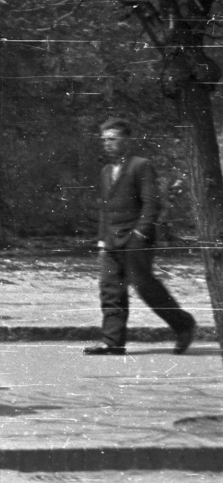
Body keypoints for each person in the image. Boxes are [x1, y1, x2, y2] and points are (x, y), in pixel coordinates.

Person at [83, 117, 196, 356]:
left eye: (113, 139)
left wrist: (139, 234)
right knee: (110, 289)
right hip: (111, 241)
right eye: (104, 140)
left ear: (126, 140)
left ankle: (183, 325)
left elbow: (151, 204)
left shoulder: (140, 165)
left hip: (135, 239)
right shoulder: (105, 171)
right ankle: (113, 343)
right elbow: (105, 208)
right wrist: (102, 240)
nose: (107, 144)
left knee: (145, 287)